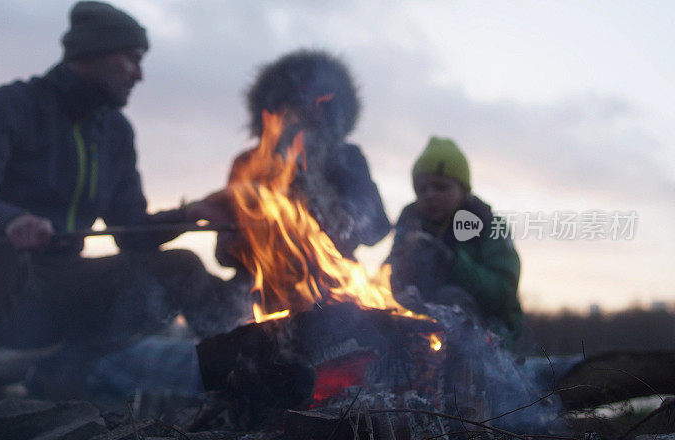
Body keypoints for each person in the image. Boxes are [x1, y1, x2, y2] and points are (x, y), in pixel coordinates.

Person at [0, 1, 230, 409]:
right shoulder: (6, 108)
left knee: (181, 270)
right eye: (132, 59)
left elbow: (131, 233)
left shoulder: (116, 134)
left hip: (64, 288)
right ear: (91, 53)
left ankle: (232, 386)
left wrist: (187, 215)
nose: (140, 75)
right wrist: (10, 220)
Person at [215, 50, 391, 310]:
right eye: (297, 103)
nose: (308, 112)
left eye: (320, 104)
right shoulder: (248, 165)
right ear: (275, 111)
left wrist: (325, 214)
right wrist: (265, 231)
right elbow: (224, 252)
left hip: (332, 285)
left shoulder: (347, 159)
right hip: (258, 288)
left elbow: (375, 226)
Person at [386, 137, 523, 343]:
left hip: (491, 335)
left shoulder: (488, 224)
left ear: (464, 191)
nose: (430, 195)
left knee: (450, 299)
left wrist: (451, 262)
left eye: (440, 187)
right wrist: (400, 264)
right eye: (422, 189)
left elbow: (503, 294)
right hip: (424, 330)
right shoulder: (409, 224)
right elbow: (386, 278)